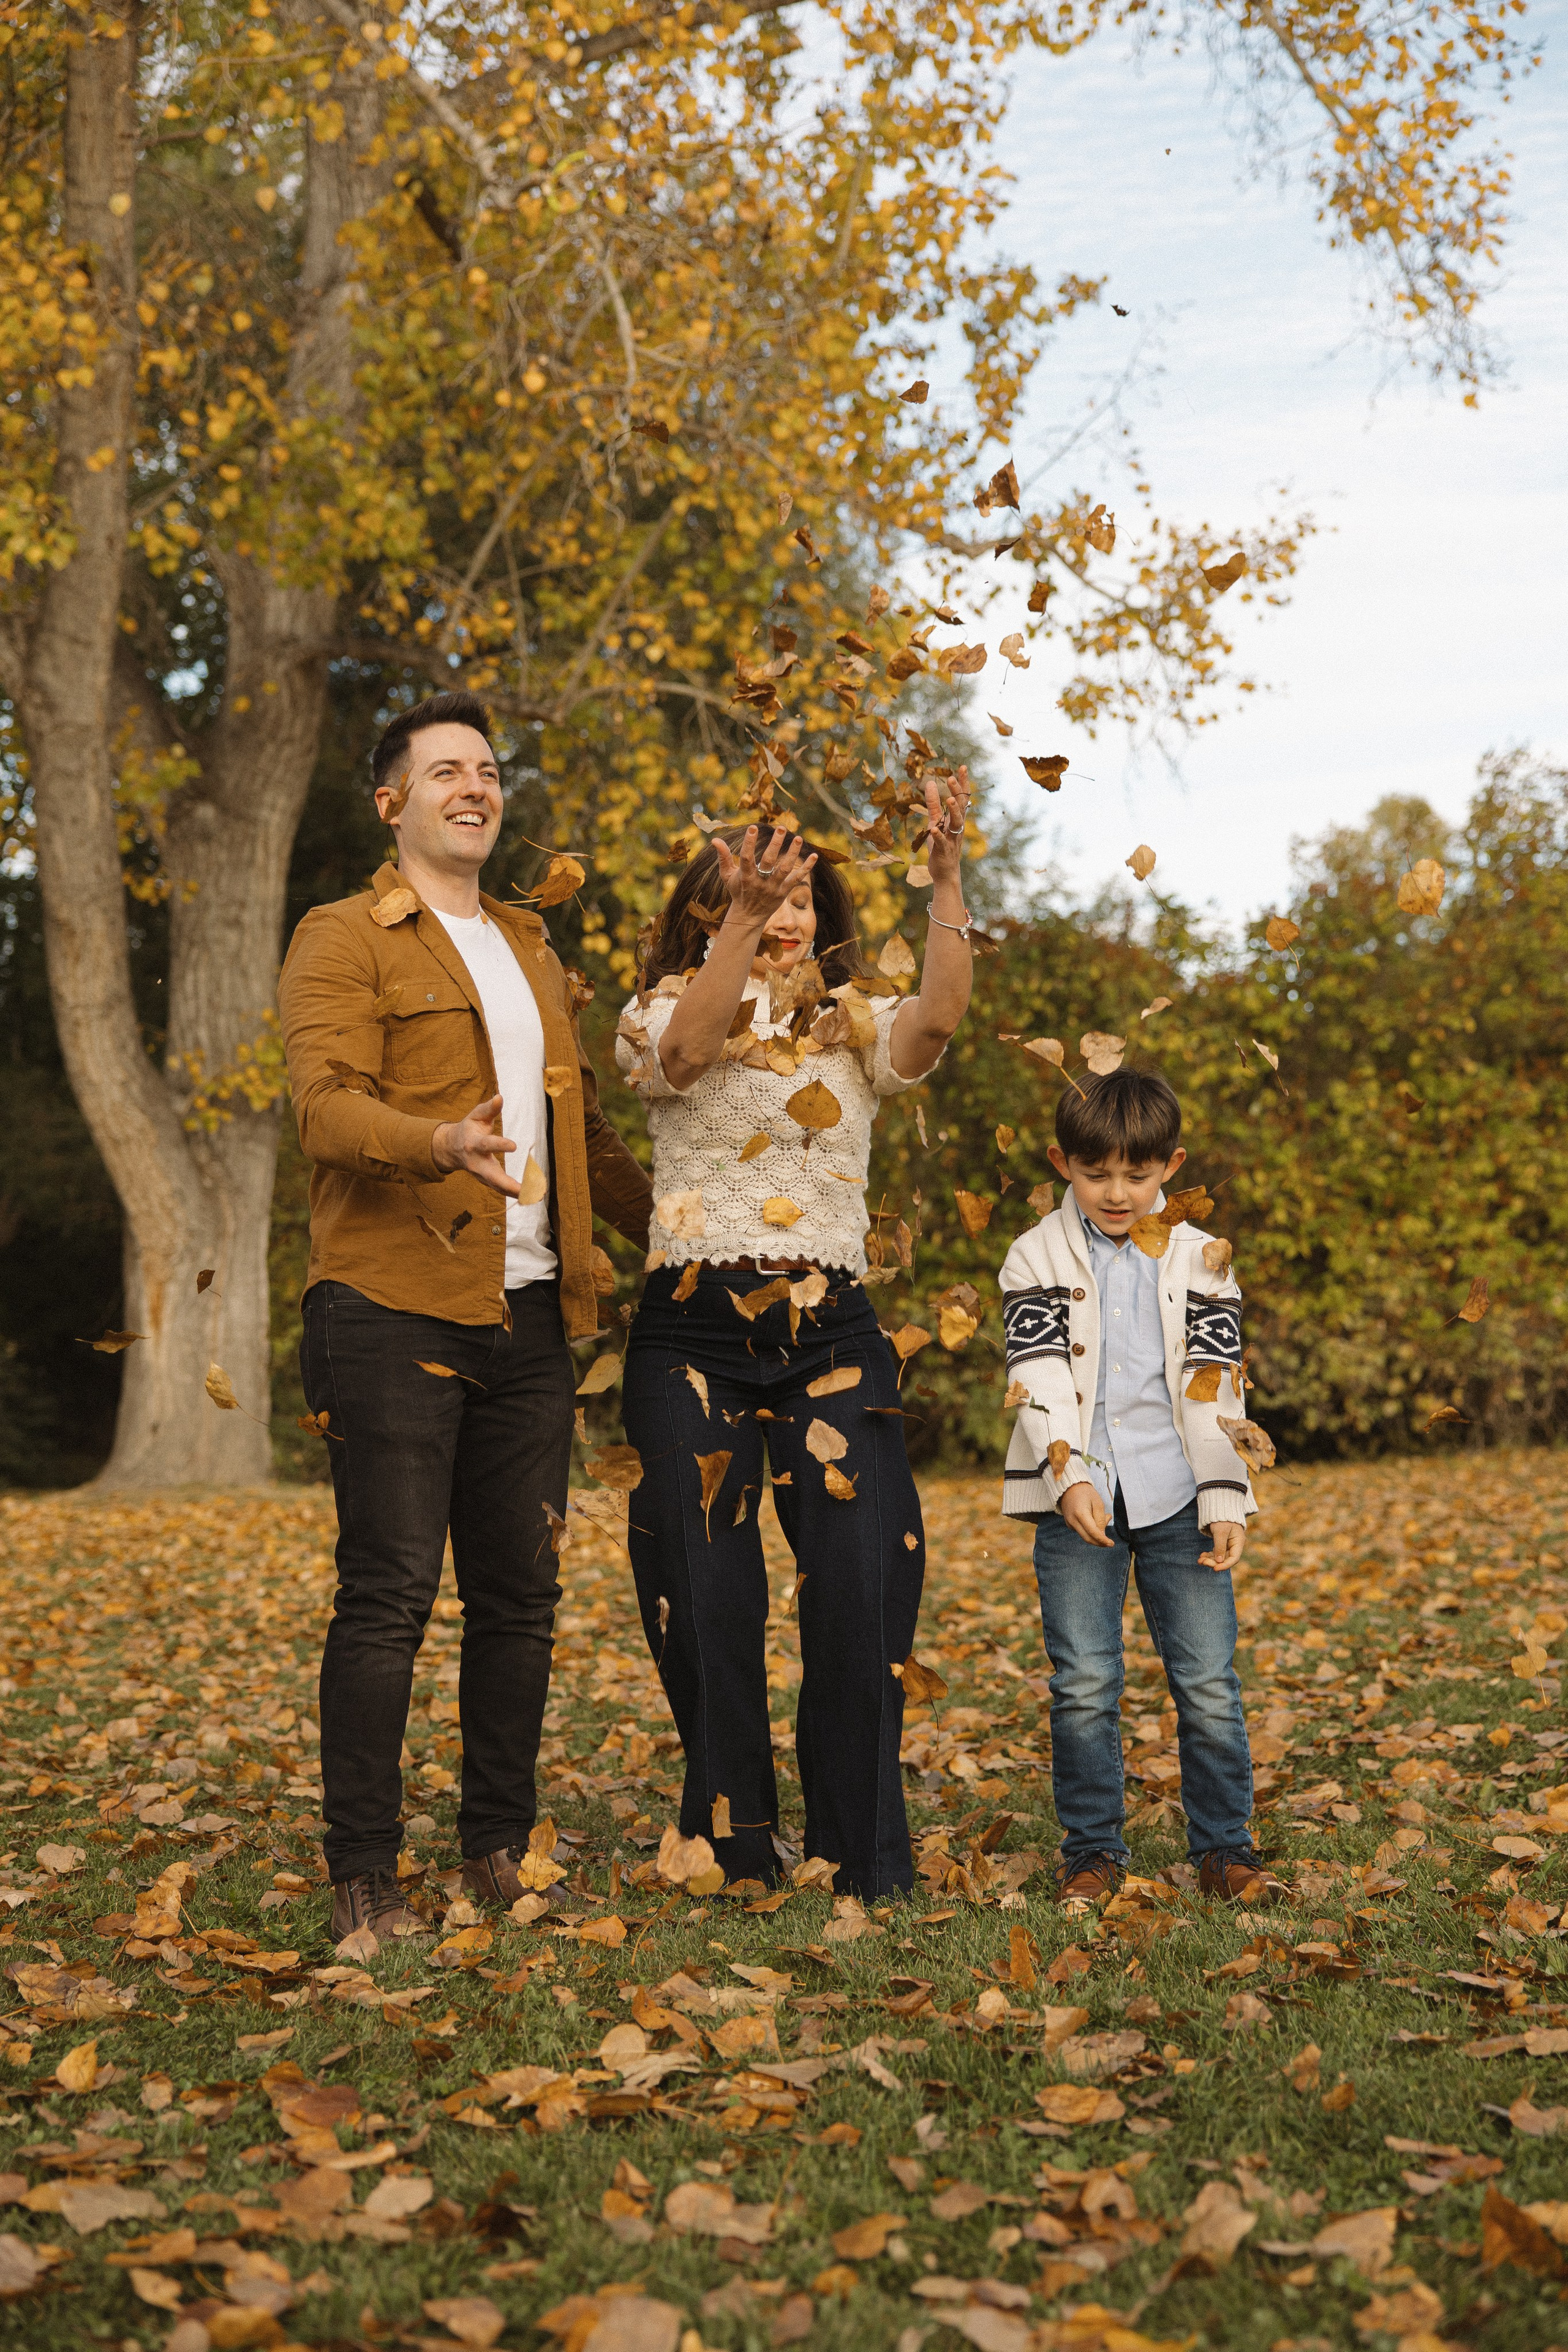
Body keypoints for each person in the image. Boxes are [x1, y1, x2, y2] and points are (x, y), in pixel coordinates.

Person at [277, 690, 653, 1942]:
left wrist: (692, 1233)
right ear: (393, 803)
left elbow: (579, 1129)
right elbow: (325, 1107)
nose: (473, 787)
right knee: (387, 1593)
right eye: (444, 771)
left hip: (532, 1313)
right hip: (392, 1303)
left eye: (487, 770)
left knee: (519, 1595)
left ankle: (495, 1846)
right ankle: (364, 1875)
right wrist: (436, 1139)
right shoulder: (341, 937)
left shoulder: (532, 947)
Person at [614, 783, 974, 1898]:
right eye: (756, 887)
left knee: (864, 1580)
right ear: (704, 906)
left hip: (832, 1328)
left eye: (802, 892)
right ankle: (733, 1841)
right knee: (705, 1587)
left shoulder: (853, 1020)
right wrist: (738, 925)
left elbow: (940, 1019)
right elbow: (685, 1058)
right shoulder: (654, 1008)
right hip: (691, 1331)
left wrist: (948, 875)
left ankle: (860, 1847)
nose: (786, 908)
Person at [998, 1067, 1284, 1907]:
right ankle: (1091, 1853)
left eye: (1137, 1173)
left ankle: (1226, 1847)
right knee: (1084, 1681)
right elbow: (1038, 1371)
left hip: (1181, 1495)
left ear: (1172, 1164)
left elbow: (1218, 1382)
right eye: (1096, 1174)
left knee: (1205, 1680)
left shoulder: (1206, 1259)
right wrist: (1067, 1473)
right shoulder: (1034, 1256)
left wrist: (1227, 1495)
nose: (1116, 1192)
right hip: (1078, 1503)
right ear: (1063, 1163)